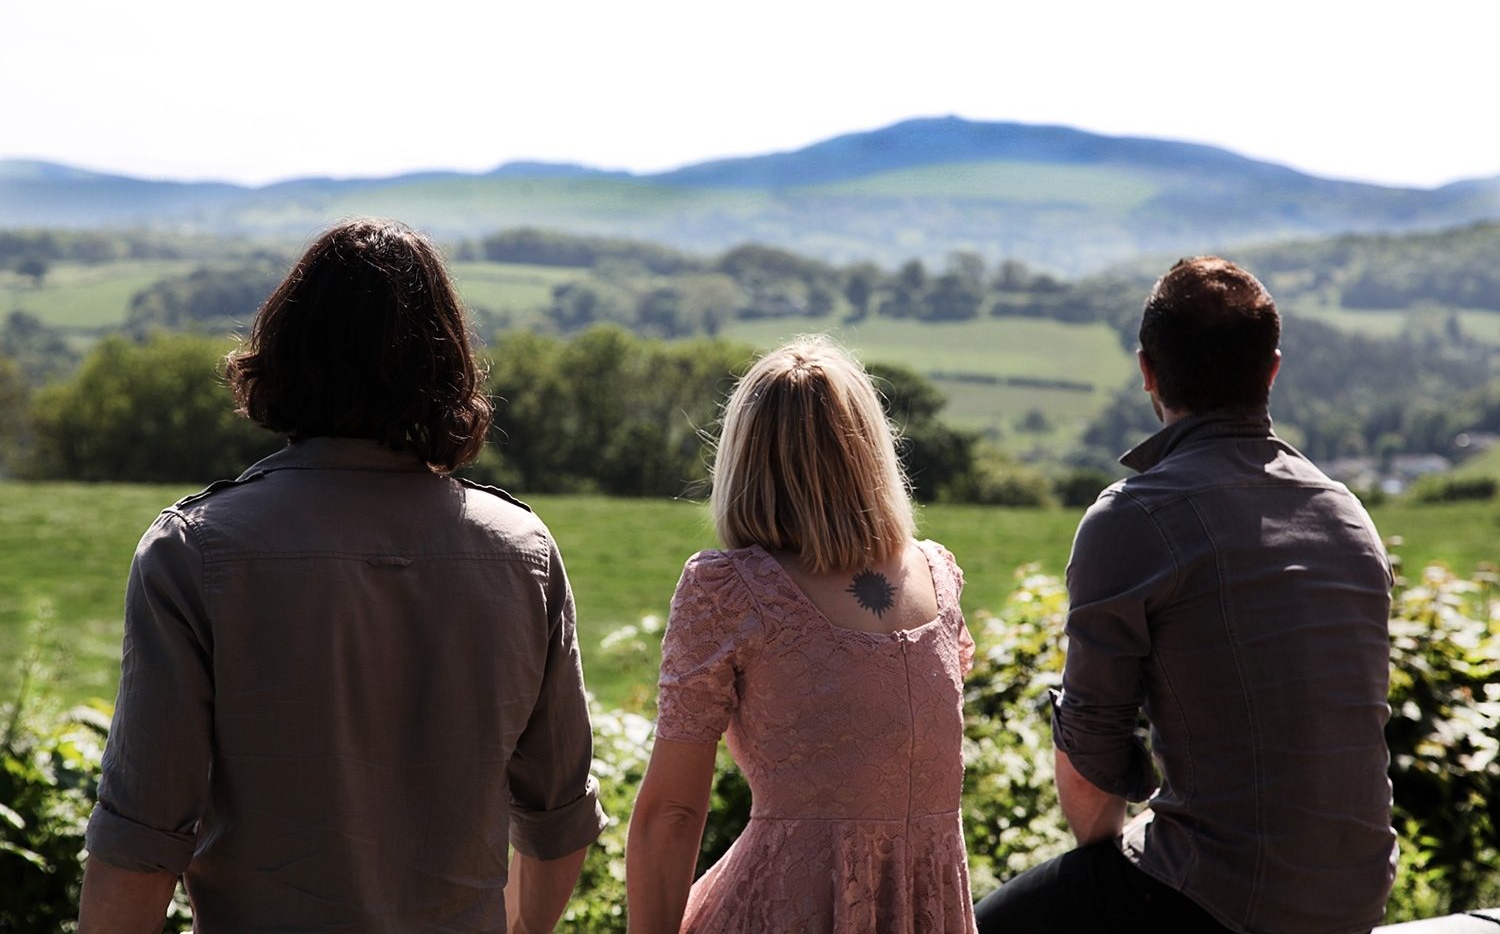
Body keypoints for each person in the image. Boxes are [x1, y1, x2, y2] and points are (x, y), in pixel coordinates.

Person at [78, 218, 606, 932]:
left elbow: (142, 834)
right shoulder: (522, 552)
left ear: (287, 350)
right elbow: (559, 816)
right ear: (446, 363)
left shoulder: (195, 552)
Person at [974, 256, 1397, 933]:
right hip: (1358, 895)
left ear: (1146, 370)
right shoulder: (1348, 514)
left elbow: (1091, 767)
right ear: (1272, 370)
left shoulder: (1135, 517)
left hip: (1222, 900)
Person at [625, 336, 979, 933]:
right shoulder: (937, 576)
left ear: (743, 457)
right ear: (871, 453)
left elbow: (673, 813)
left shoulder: (729, 590)